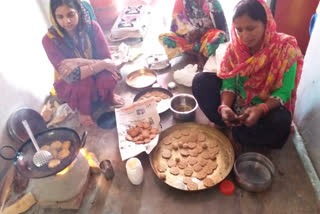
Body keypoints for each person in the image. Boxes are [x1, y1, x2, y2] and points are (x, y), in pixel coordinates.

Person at [192, 0, 303, 149]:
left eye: (250, 28)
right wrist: (224, 106)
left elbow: (284, 92)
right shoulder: (235, 48)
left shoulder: (285, 49)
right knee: (201, 81)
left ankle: (240, 134)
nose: (244, 36)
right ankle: (224, 121)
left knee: (281, 120)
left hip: (264, 109)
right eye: (239, 30)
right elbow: (229, 82)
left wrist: (260, 109)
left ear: (266, 23)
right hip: (237, 101)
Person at [43, 0, 123, 126]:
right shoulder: (49, 40)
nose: (67, 21)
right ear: (54, 17)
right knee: (83, 84)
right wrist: (102, 64)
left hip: (94, 70)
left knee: (107, 76)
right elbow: (71, 76)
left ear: (79, 12)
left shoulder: (92, 28)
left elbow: (108, 60)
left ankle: (109, 96)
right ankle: (83, 111)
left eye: (70, 14)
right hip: (70, 82)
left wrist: (80, 61)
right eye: (60, 17)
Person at [159, 0, 229, 68]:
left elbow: (222, 30)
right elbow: (177, 31)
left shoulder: (213, 3)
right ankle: (195, 53)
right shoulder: (180, 2)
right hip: (189, 42)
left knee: (218, 38)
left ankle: (200, 53)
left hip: (206, 40)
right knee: (165, 38)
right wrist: (188, 35)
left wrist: (199, 33)